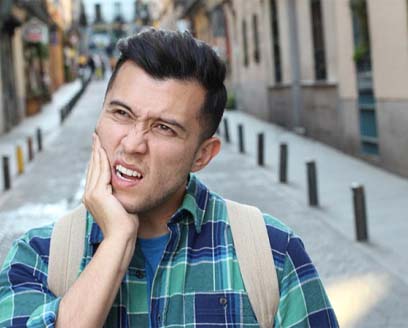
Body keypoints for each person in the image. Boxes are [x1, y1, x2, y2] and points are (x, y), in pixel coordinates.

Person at [0, 29, 338, 327]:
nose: (132, 144)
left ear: (203, 155)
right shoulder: (38, 257)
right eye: (121, 113)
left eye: (164, 128)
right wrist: (116, 242)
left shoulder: (272, 254)